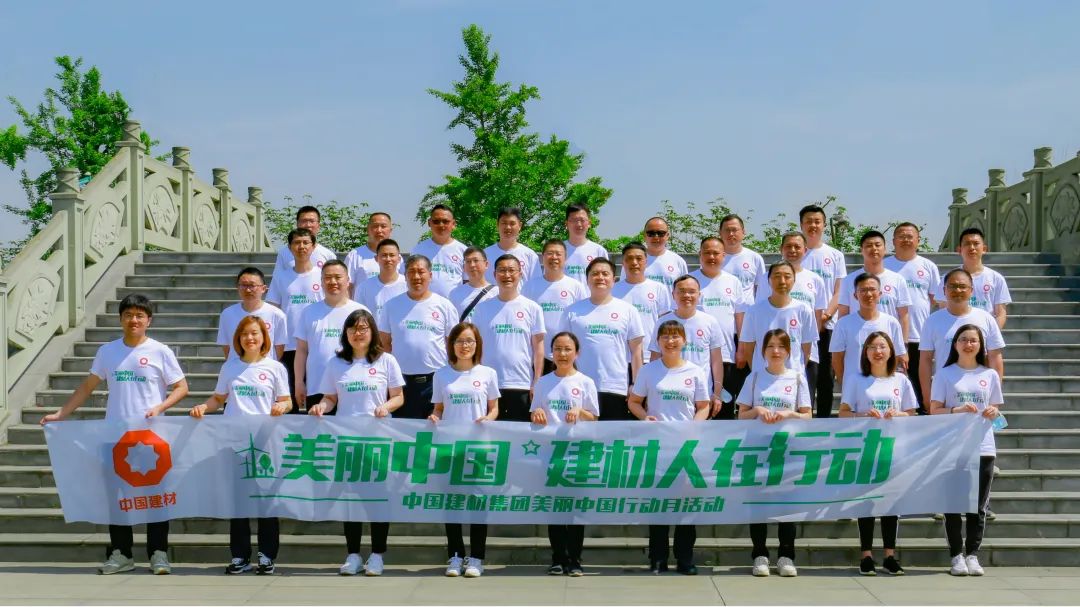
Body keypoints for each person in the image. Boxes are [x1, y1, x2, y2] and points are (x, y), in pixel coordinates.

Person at [40, 294, 189, 576]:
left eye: (140, 315)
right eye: (128, 315)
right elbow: (87, 387)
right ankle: (121, 553)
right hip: (116, 436)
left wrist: (161, 407)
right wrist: (61, 413)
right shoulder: (108, 351)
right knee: (117, 498)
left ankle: (158, 553)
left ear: (148, 320)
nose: (134, 320)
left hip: (151, 438)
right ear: (120, 319)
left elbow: (182, 387)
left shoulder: (160, 351)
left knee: (156, 497)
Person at [190, 316, 291, 575]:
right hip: (234, 443)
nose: (250, 338)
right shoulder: (230, 367)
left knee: (266, 500)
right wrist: (203, 407)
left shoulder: (275, 367)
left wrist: (281, 406)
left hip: (265, 443)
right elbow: (218, 398)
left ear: (264, 337)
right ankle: (240, 556)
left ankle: (267, 555)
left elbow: (287, 400)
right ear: (238, 339)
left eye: (255, 333)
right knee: (238, 501)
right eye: (245, 334)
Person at [309, 309, 405, 577]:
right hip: (347, 441)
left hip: (378, 441)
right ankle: (352, 554)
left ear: (372, 331)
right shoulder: (336, 363)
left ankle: (377, 554)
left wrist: (386, 406)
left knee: (377, 498)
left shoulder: (386, 360)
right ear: (346, 334)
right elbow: (330, 398)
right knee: (350, 499)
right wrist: (321, 406)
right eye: (352, 329)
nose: (358, 333)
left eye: (363, 328)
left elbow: (398, 396)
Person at [629, 320, 710, 575]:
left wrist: (694, 427)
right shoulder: (648, 370)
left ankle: (685, 558)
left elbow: (703, 406)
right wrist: (645, 417)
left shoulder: (695, 371)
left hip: (686, 447)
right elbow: (634, 402)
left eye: (675, 336)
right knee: (659, 504)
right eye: (665, 337)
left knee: (686, 504)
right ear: (658, 342)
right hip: (658, 446)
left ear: (684, 341)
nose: (670, 341)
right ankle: (658, 558)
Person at [837, 332, 916, 576]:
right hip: (866, 448)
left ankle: (889, 555)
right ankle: (866, 556)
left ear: (891, 351)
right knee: (867, 503)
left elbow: (912, 414)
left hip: (894, 449)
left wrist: (898, 414)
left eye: (882, 346)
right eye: (872, 347)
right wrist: (862, 415)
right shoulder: (856, 379)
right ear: (866, 353)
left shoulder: (901, 380)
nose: (878, 351)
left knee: (891, 503)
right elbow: (843, 413)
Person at [736, 329, 812, 578]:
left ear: (788, 351)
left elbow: (807, 415)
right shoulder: (755, 377)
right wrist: (758, 410)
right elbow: (741, 415)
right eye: (770, 346)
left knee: (787, 504)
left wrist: (789, 414)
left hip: (789, 450)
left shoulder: (797, 378)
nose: (776, 351)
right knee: (758, 504)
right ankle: (759, 554)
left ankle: (786, 555)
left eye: (781, 346)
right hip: (758, 450)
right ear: (763, 351)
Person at [929, 325, 1003, 577]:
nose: (968, 344)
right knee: (953, 503)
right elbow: (934, 410)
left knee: (978, 505)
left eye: (973, 340)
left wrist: (994, 411)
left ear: (980, 345)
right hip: (952, 448)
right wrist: (956, 410)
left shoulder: (990, 375)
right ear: (955, 344)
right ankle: (956, 556)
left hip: (983, 447)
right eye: (963, 340)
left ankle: (972, 554)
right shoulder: (945, 374)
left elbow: (997, 412)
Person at [429, 322, 500, 578]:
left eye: (469, 341)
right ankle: (456, 555)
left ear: (477, 344)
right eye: (459, 341)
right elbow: (438, 408)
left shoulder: (488, 373)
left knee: (479, 503)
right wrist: (435, 417)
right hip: (450, 449)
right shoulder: (441, 375)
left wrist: (489, 418)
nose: (464, 346)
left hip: (479, 448)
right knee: (453, 503)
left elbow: (494, 407)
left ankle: (477, 557)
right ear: (452, 345)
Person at [530, 332, 599, 576]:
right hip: (551, 453)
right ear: (552, 353)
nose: (562, 354)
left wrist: (580, 411)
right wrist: (537, 413)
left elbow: (594, 418)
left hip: (577, 453)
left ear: (576, 353)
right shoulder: (543, 383)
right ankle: (558, 558)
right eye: (558, 349)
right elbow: (535, 413)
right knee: (555, 508)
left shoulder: (586, 382)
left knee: (576, 509)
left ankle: (575, 560)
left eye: (568, 349)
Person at [555, 258, 645, 420]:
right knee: (580, 434)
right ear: (587, 279)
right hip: (579, 387)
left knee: (612, 434)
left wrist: (636, 385)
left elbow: (636, 351)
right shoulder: (572, 311)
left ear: (614, 279)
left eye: (605, 274)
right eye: (595, 274)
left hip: (616, 388)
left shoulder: (628, 310)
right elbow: (562, 352)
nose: (600, 277)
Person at [378, 255, 458, 420]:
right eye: (411, 272)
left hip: (435, 381)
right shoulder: (391, 306)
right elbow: (384, 344)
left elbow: (453, 345)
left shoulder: (445, 306)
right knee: (403, 431)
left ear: (430, 275)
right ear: (405, 275)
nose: (416, 277)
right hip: (402, 384)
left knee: (434, 431)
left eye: (421, 272)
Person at [471, 254, 546, 421]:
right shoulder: (483, 308)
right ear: (494, 274)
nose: (507, 275)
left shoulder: (532, 308)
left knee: (518, 432)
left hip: (521, 384)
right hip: (488, 385)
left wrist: (537, 381)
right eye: (502, 270)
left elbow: (538, 348)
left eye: (511, 270)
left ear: (520, 274)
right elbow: (476, 347)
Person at [918, 268, 1006, 405]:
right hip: (945, 394)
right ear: (944, 290)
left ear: (971, 291)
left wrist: (994, 397)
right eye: (952, 286)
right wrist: (927, 395)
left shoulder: (986, 318)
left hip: (979, 393)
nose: (958, 290)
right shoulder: (932, 321)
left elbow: (995, 357)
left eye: (962, 286)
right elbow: (925, 359)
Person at [884, 222, 941, 413]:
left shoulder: (928, 266)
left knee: (919, 378)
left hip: (920, 333)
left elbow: (936, 300)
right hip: (889, 336)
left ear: (918, 240)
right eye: (901, 236)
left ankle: (923, 414)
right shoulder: (885, 265)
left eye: (910, 236)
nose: (906, 240)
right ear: (893, 241)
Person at [294, 260, 366, 412]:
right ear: (321, 281)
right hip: (317, 387)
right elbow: (301, 350)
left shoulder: (361, 312)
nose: (333, 281)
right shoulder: (309, 312)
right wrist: (299, 382)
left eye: (338, 277)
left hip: (352, 387)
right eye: (327, 277)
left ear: (348, 280)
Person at [649, 275, 725, 417]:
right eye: (682, 291)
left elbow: (716, 360)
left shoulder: (710, 322)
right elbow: (655, 357)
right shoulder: (662, 321)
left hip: (701, 395)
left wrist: (717, 393)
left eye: (691, 291)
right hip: (668, 394)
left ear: (699, 294)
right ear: (673, 295)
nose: (687, 295)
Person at [266, 228, 324, 411]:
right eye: (297, 243)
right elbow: (272, 309)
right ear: (290, 247)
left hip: (317, 345)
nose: (301, 247)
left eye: (306, 242)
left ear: (313, 246)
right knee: (288, 399)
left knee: (317, 400)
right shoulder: (281, 277)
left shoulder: (323, 276)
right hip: (289, 345)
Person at [799, 205, 846, 426]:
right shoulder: (796, 253)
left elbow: (839, 290)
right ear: (801, 225)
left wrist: (826, 314)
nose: (813, 225)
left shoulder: (835, 255)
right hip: (799, 328)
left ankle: (824, 422)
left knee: (826, 377)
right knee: (804, 374)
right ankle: (803, 420)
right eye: (808, 221)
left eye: (817, 221)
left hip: (827, 325)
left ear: (824, 225)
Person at [695, 236, 748, 419]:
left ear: (723, 255)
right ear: (700, 255)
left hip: (726, 354)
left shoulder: (733, 282)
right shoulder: (690, 281)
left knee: (724, 407)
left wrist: (741, 349)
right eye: (707, 253)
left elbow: (739, 317)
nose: (711, 257)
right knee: (698, 405)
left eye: (716, 253)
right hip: (697, 356)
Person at [737, 262, 818, 379]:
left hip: (793, 379)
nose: (782, 281)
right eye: (777, 276)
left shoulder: (804, 310)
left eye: (787, 276)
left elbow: (806, 351)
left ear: (794, 280)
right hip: (762, 380)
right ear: (769, 280)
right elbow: (748, 350)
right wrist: (759, 373)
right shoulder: (753, 311)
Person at [521, 239, 588, 372]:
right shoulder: (530, 286)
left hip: (567, 355)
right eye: (550, 253)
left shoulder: (576, 287)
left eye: (558, 254)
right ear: (543, 257)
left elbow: (582, 321)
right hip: (538, 356)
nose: (554, 257)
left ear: (565, 258)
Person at [830, 273, 906, 387]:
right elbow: (837, 358)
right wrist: (846, 384)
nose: (869, 294)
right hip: (854, 388)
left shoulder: (891, 323)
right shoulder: (843, 324)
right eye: (863, 290)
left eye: (872, 289)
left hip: (883, 387)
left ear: (880, 294)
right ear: (855, 295)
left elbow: (897, 356)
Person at [838, 230, 912, 345]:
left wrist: (904, 344)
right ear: (861, 250)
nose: (874, 249)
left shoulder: (897, 280)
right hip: (857, 342)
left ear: (885, 249)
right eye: (869, 246)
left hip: (887, 344)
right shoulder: (849, 280)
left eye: (878, 245)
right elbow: (843, 314)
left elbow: (904, 316)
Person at [935, 227, 1012, 329]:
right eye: (967, 244)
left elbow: (1001, 314)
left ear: (984, 249)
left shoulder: (996, 278)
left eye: (976, 243)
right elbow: (943, 310)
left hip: (985, 333)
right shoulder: (948, 278)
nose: (972, 248)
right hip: (956, 334)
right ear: (959, 250)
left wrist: (992, 335)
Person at [613, 242, 674, 354]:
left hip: (650, 354)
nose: (634, 262)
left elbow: (665, 324)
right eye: (629, 258)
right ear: (623, 263)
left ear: (646, 261)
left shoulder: (659, 288)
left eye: (639, 258)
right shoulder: (612, 290)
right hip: (620, 355)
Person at [217, 266, 287, 361]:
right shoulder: (227, 314)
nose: (248, 290)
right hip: (236, 367)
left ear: (263, 288)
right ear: (238, 288)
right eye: (243, 285)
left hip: (266, 368)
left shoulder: (277, 315)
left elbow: (279, 349)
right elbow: (226, 348)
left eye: (252, 285)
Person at [412, 204, 467, 298]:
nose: (441, 225)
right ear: (429, 223)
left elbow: (467, 282)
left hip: (454, 304)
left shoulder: (464, 250)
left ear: (453, 224)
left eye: (445, 221)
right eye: (436, 221)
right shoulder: (418, 250)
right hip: (425, 303)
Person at [620, 217, 688, 288]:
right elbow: (623, 287)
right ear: (644, 235)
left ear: (667, 235)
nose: (656, 237)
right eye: (651, 233)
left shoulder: (678, 261)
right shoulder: (632, 261)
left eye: (661, 233)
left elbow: (685, 289)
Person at [483, 207, 540, 285]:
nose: (508, 227)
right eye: (504, 223)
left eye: (512, 223)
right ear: (497, 225)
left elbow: (536, 285)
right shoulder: (485, 255)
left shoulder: (530, 255)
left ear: (520, 226)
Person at [719, 214, 767, 304]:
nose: (731, 234)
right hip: (722, 309)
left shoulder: (755, 258)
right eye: (727, 230)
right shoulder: (713, 259)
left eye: (734, 230)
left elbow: (761, 289)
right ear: (720, 233)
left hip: (748, 311)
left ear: (743, 232)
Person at [353, 238, 406, 320]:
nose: (388, 259)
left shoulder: (408, 285)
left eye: (392, 255)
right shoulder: (363, 288)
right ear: (376, 258)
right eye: (384, 255)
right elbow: (359, 318)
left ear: (399, 259)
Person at [344, 212, 398, 291]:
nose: (379, 230)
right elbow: (346, 287)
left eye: (383, 226)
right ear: (368, 230)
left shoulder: (396, 257)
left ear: (390, 231)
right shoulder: (354, 255)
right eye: (375, 226)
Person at [273, 205, 336, 272]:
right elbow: (278, 277)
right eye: (304, 221)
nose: (308, 225)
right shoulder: (284, 253)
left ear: (318, 226)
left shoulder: (328, 255)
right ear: (297, 224)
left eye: (312, 221)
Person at [563, 203, 610, 285]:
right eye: (574, 220)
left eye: (582, 220)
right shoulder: (558, 250)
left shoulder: (599, 251)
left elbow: (606, 281)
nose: (578, 224)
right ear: (566, 224)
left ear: (589, 223)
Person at [448, 246, 497, 322]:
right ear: (464, 267)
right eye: (468, 261)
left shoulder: (497, 293)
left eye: (476, 260)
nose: (472, 265)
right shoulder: (454, 294)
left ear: (486, 264)